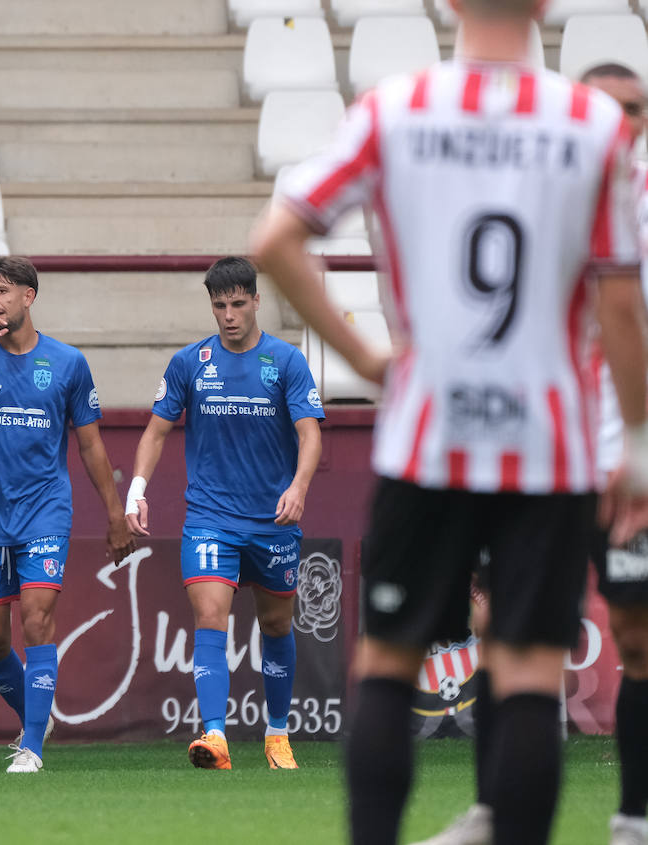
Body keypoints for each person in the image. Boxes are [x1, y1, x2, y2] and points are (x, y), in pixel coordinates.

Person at [251, 0, 648, 841]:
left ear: (451, 3)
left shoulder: (396, 109)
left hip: (428, 437)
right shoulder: (592, 126)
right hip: (550, 446)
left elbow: (276, 239)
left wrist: (365, 357)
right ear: (543, 6)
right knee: (530, 670)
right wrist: (641, 445)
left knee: (389, 660)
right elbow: (620, 304)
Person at [419, 61, 648, 845]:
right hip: (533, 451)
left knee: (638, 633)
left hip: (623, 461)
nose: (621, 121)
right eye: (606, 107)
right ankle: (493, 809)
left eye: (635, 108)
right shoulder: (523, 195)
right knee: (506, 630)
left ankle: (634, 818)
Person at [0, 255, 137, 773]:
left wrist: (115, 515)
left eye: (2, 291)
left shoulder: (67, 362)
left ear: (28, 296)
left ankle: (32, 746)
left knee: (37, 620)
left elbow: (91, 446)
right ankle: (37, 716)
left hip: (43, 512)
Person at [124, 256, 323, 771]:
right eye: (219, 306)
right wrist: (137, 491)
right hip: (210, 518)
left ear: (256, 300)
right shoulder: (190, 363)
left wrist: (299, 487)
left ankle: (277, 736)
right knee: (210, 617)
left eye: (237, 304)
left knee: (276, 624)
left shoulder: (286, 361)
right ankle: (215, 737)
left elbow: (309, 434)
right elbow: (156, 433)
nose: (229, 315)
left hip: (273, 520)